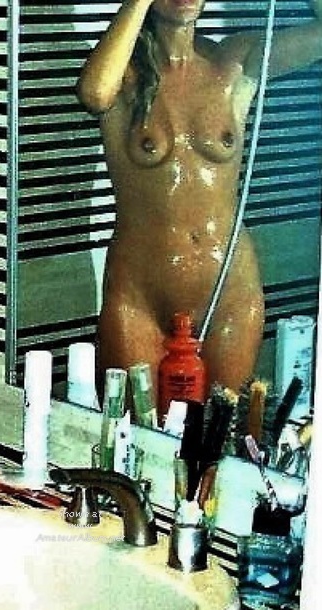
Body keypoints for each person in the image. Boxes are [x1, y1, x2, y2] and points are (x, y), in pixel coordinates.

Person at [78, 0, 322, 402]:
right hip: (140, 296)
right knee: (132, 430)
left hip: (229, 293)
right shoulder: (122, 72)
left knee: (221, 433)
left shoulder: (234, 61)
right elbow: (95, 93)